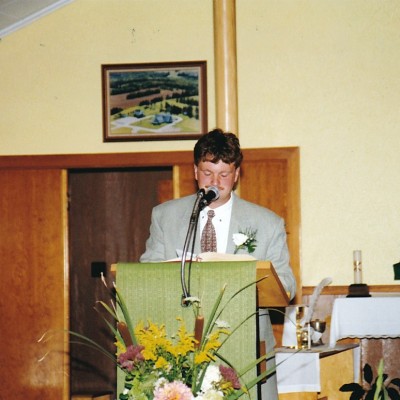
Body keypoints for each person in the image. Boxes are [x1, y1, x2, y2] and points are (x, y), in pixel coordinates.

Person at [140, 128, 296, 400]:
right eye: (208, 173)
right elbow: (147, 275)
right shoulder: (165, 216)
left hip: (245, 343)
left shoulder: (267, 223)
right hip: (182, 344)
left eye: (224, 174)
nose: (215, 182)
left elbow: (288, 286)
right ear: (194, 171)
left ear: (236, 175)